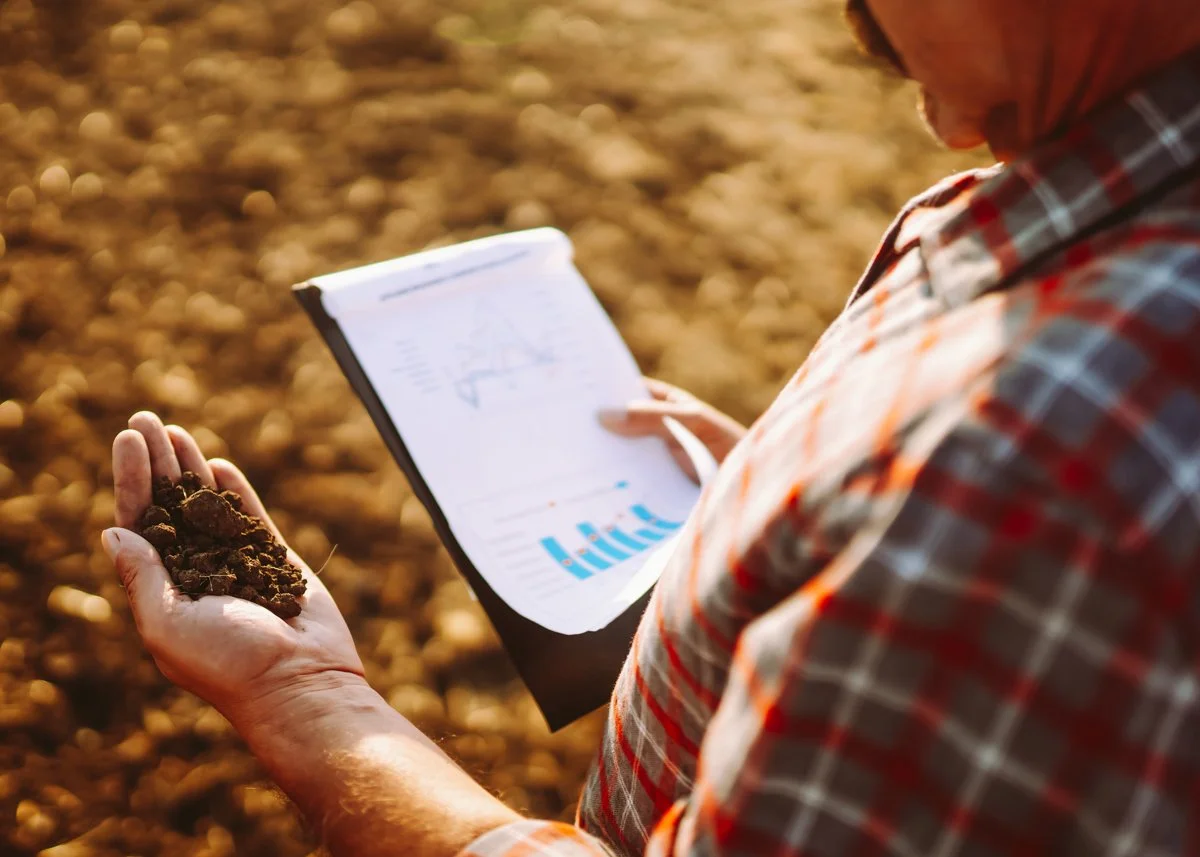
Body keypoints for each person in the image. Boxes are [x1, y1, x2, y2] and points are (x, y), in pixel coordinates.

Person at [104, 0, 1200, 854]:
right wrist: (789, 521)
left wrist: (305, 698)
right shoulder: (1094, 205)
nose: (859, 26)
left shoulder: (1026, 450)